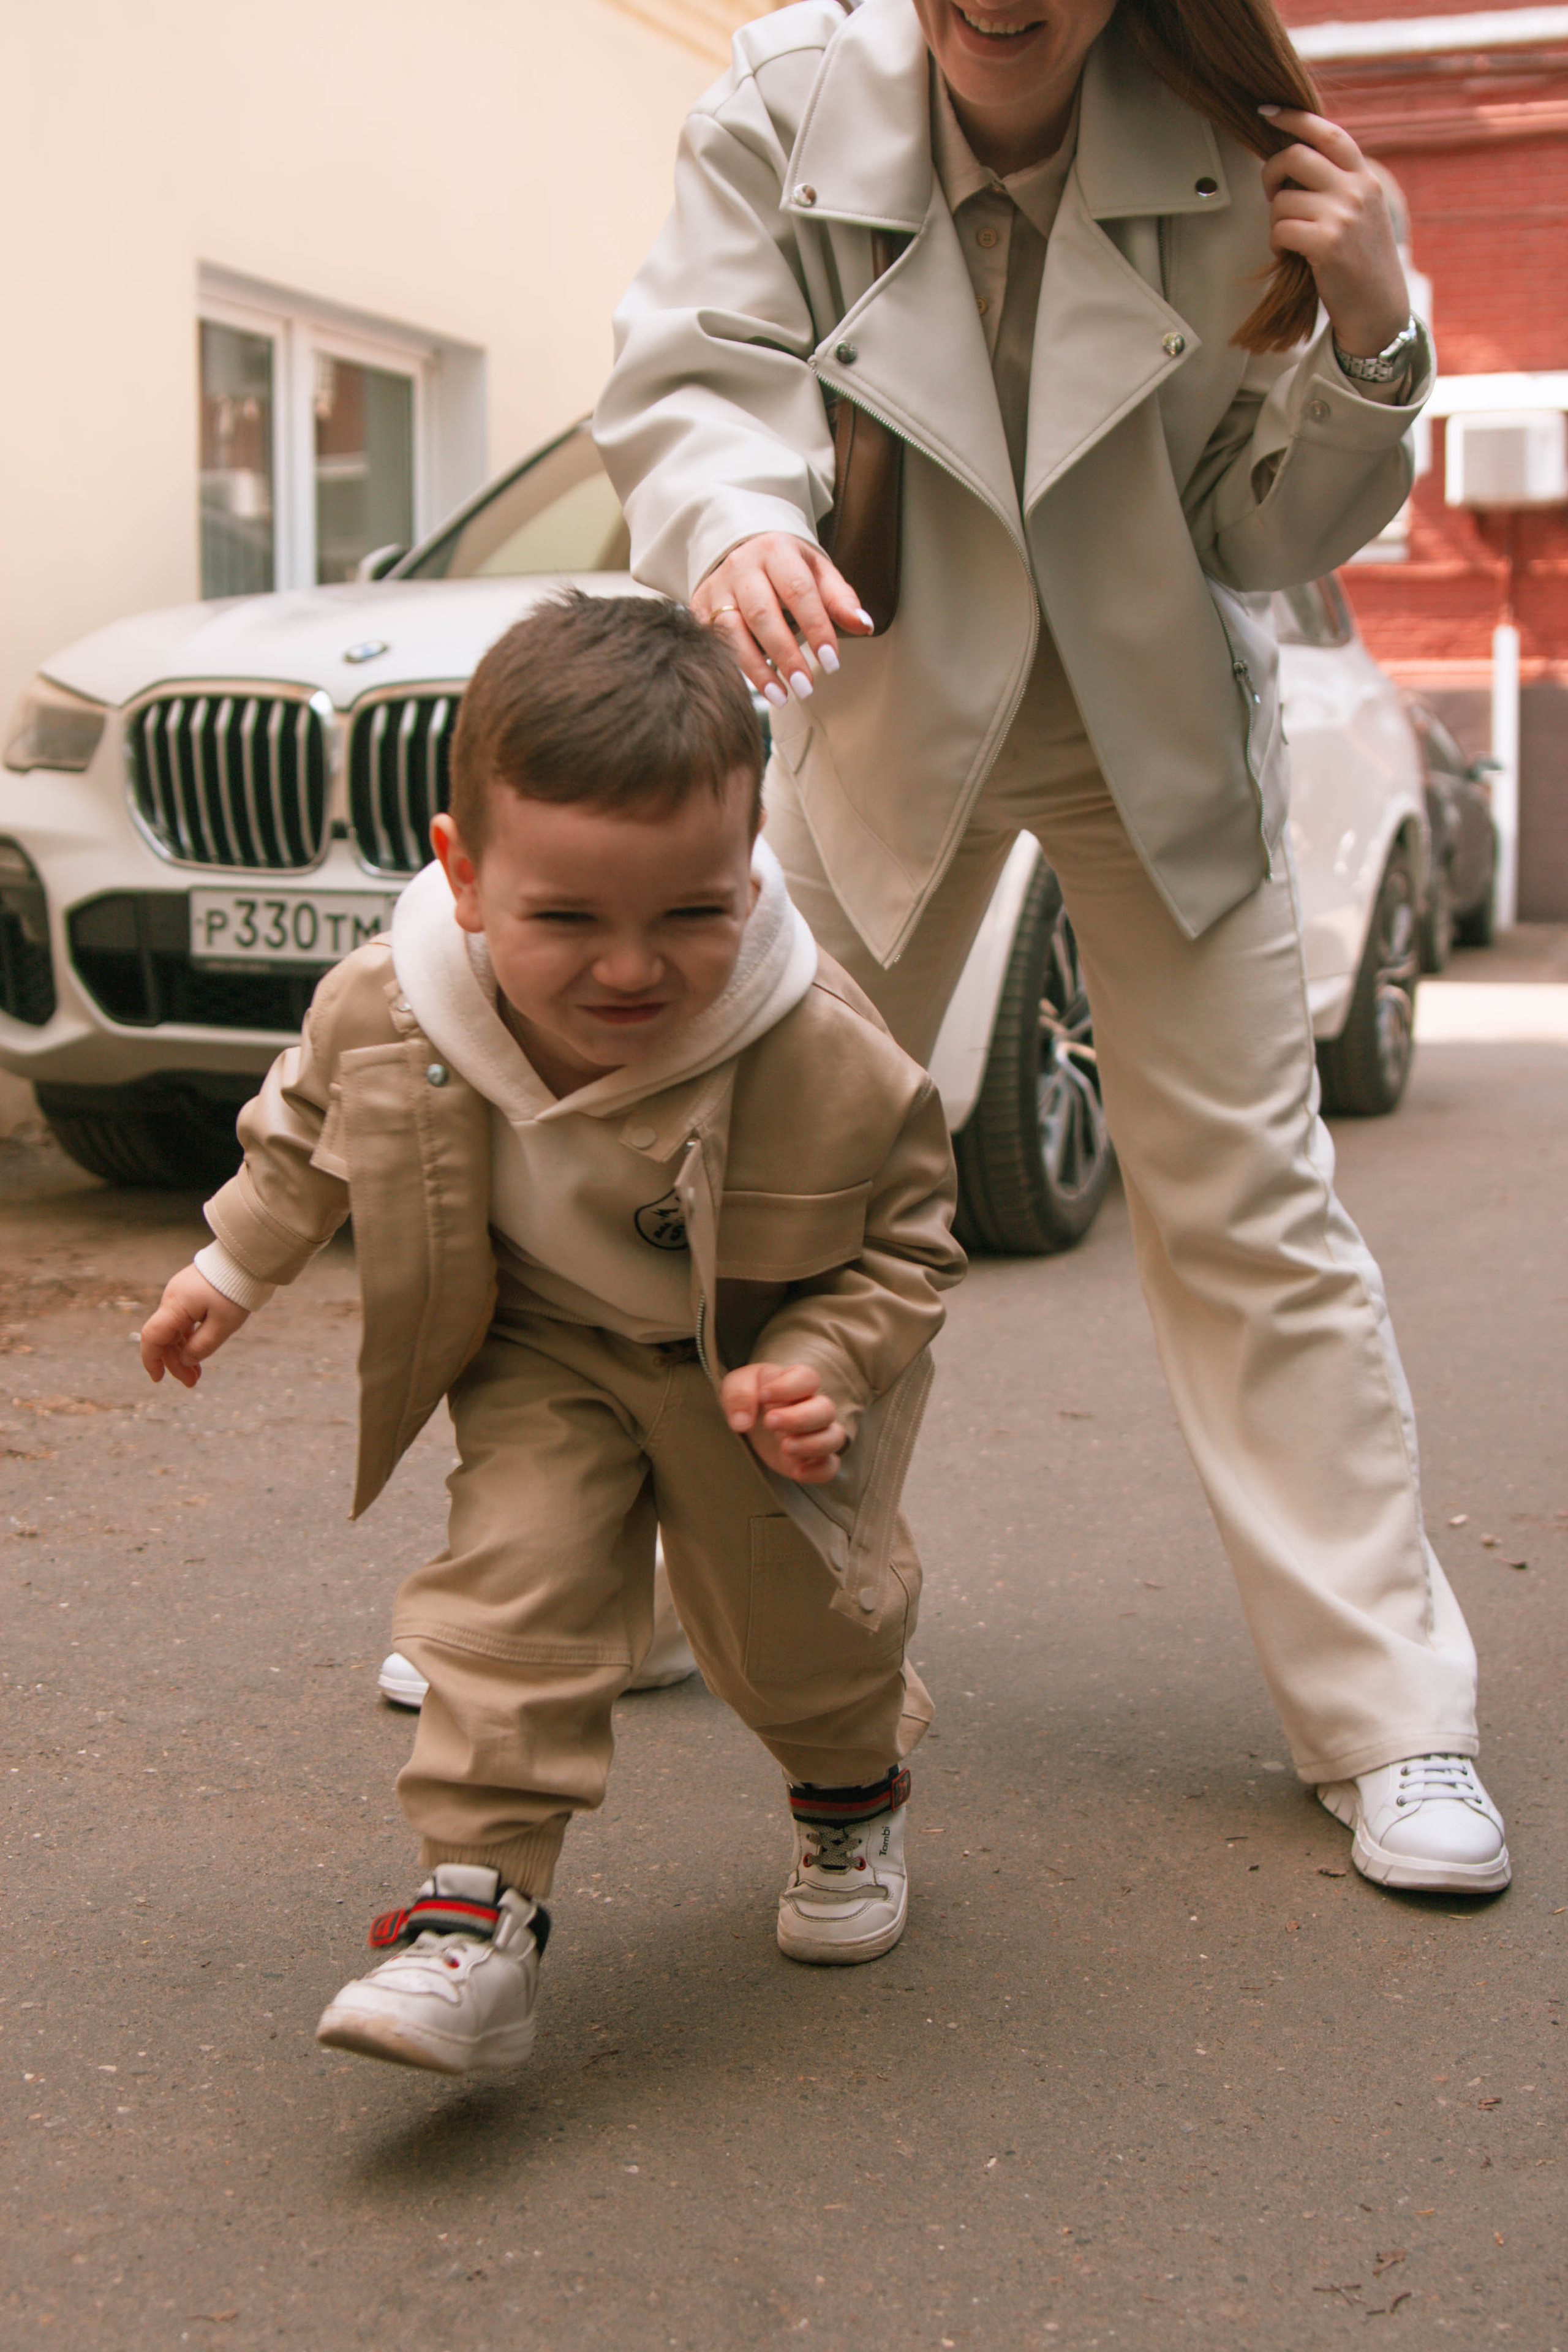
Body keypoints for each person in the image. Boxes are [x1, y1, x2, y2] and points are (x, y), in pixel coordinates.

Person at [594, 0, 1509, 1894]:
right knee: (738, 1181)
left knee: (1250, 1204)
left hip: (1150, 728)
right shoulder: (781, 104)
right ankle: (624, 1603)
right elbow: (697, 378)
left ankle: (1393, 1717)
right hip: (879, 710)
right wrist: (728, 521)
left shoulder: (1231, 138)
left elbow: (1265, 531)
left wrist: (1374, 332)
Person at [138, 594, 965, 2076]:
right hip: (543, 1354)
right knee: (505, 1606)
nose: (630, 970)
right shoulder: (394, 1004)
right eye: (567, 919)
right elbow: (307, 1136)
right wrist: (227, 1269)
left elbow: (909, 1241)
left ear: (750, 871)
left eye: (690, 915)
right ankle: (474, 1924)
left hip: (748, 1376)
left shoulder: (823, 1050)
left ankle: (851, 1801)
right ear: (463, 875)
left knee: (793, 1648)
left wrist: (822, 1368)